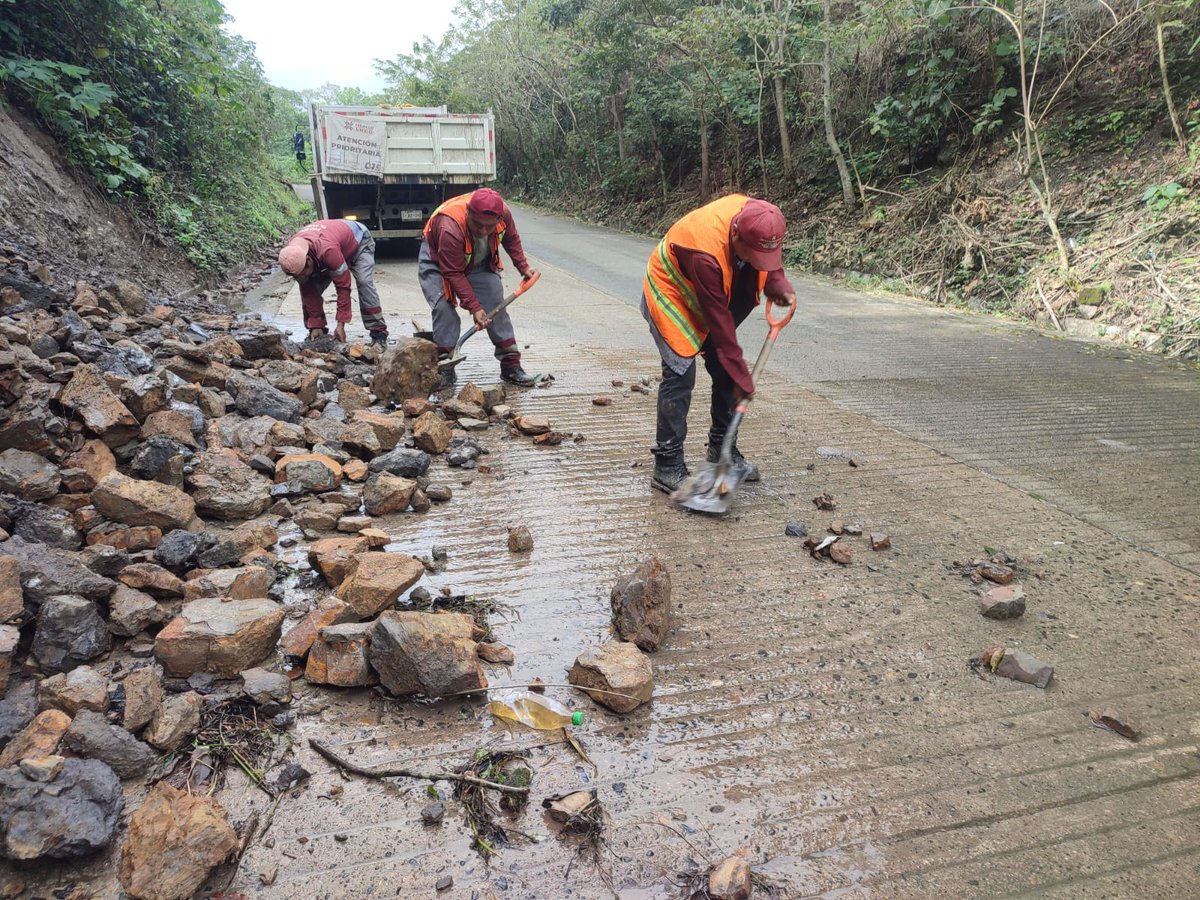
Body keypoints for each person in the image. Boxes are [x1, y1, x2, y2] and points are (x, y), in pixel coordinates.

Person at [642, 194, 797, 494]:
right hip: (671, 292)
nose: (758, 261)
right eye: (752, 254)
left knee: (726, 371)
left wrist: (777, 283)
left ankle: (721, 451)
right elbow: (719, 322)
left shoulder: (760, 217)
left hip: (713, 296)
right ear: (736, 235)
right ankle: (667, 465)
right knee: (680, 374)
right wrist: (742, 376)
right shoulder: (704, 251)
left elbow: (767, 256)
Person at [419, 188, 540, 385]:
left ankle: (510, 366)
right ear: (468, 211)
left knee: (496, 304)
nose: (483, 231)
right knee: (443, 307)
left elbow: (510, 238)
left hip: (478, 261)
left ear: (498, 219)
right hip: (439, 263)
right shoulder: (449, 226)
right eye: (477, 224)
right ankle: (445, 366)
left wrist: (523, 266)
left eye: (489, 227)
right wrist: (474, 307)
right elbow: (453, 273)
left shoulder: (503, 213)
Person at [278, 218, 388, 345]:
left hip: (358, 240)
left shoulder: (327, 250)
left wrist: (341, 325)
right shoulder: (292, 254)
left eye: (303, 273)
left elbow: (343, 287)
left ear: (308, 260)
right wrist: (315, 324)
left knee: (364, 282)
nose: (301, 277)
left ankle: (378, 332)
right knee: (308, 289)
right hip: (333, 244)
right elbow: (308, 291)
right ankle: (318, 331)